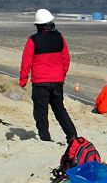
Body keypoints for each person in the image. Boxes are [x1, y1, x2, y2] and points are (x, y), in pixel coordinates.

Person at [19, 9, 78, 142]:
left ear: (38, 25)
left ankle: (45, 138)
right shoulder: (59, 38)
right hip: (57, 82)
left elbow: (26, 62)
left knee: (41, 112)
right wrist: (61, 76)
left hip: (40, 84)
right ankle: (72, 136)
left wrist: (23, 80)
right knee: (59, 110)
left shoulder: (32, 40)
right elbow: (66, 60)